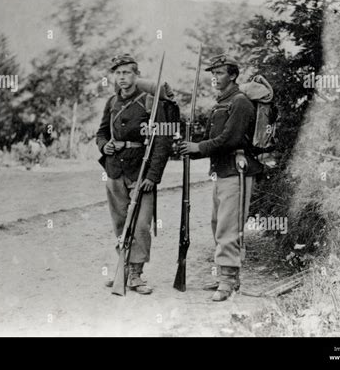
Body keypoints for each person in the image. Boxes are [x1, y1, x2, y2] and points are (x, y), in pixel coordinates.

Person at [180, 53, 262, 302]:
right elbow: (212, 141)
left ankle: (226, 282)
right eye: (213, 73)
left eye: (220, 73)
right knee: (218, 225)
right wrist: (189, 149)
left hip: (237, 172)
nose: (215, 78)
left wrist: (198, 148)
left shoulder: (240, 102)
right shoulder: (220, 103)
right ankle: (228, 278)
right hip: (221, 173)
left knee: (229, 228)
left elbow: (231, 139)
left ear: (233, 75)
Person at [96, 54, 171, 295]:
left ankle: (137, 274)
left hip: (141, 171)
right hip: (115, 170)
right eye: (118, 73)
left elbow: (162, 141)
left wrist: (153, 176)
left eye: (127, 72)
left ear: (136, 75)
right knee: (120, 223)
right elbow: (100, 133)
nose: (122, 78)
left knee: (140, 226)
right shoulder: (111, 103)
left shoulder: (150, 102)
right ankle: (124, 268)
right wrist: (104, 145)